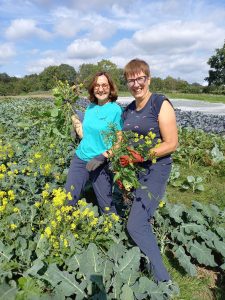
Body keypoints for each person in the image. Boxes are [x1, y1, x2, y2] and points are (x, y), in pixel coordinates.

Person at [121, 58, 178, 283]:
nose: (136, 84)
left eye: (140, 78)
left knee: (135, 224)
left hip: (156, 169)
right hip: (134, 172)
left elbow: (171, 143)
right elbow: (122, 142)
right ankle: (145, 257)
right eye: (131, 80)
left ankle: (163, 281)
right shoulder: (128, 110)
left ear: (148, 79)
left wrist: (141, 155)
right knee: (140, 218)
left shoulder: (159, 103)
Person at [65, 71, 123, 214]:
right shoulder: (90, 107)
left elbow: (119, 141)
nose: (100, 89)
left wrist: (104, 155)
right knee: (68, 199)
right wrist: (75, 120)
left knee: (107, 207)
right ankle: (65, 229)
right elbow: (86, 133)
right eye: (97, 85)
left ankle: (113, 233)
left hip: (101, 162)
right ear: (93, 88)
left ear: (110, 88)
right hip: (81, 158)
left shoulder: (116, 110)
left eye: (104, 85)